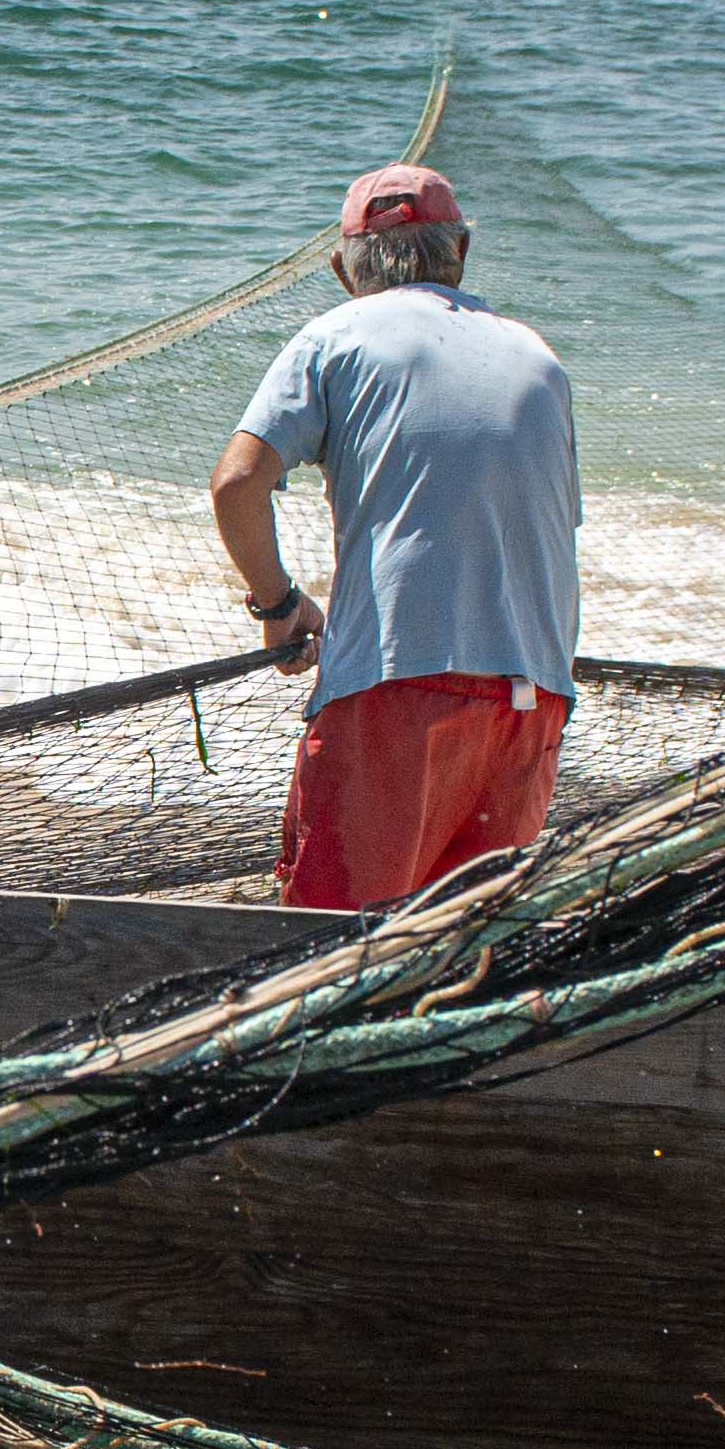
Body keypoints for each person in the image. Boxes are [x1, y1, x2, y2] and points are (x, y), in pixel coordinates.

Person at [213, 159, 584, 908]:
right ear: (462, 252)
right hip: (534, 692)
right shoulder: (539, 356)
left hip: (396, 682)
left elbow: (237, 484)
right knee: (461, 951)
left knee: (325, 944)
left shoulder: (335, 336)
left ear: (342, 271)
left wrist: (277, 606)